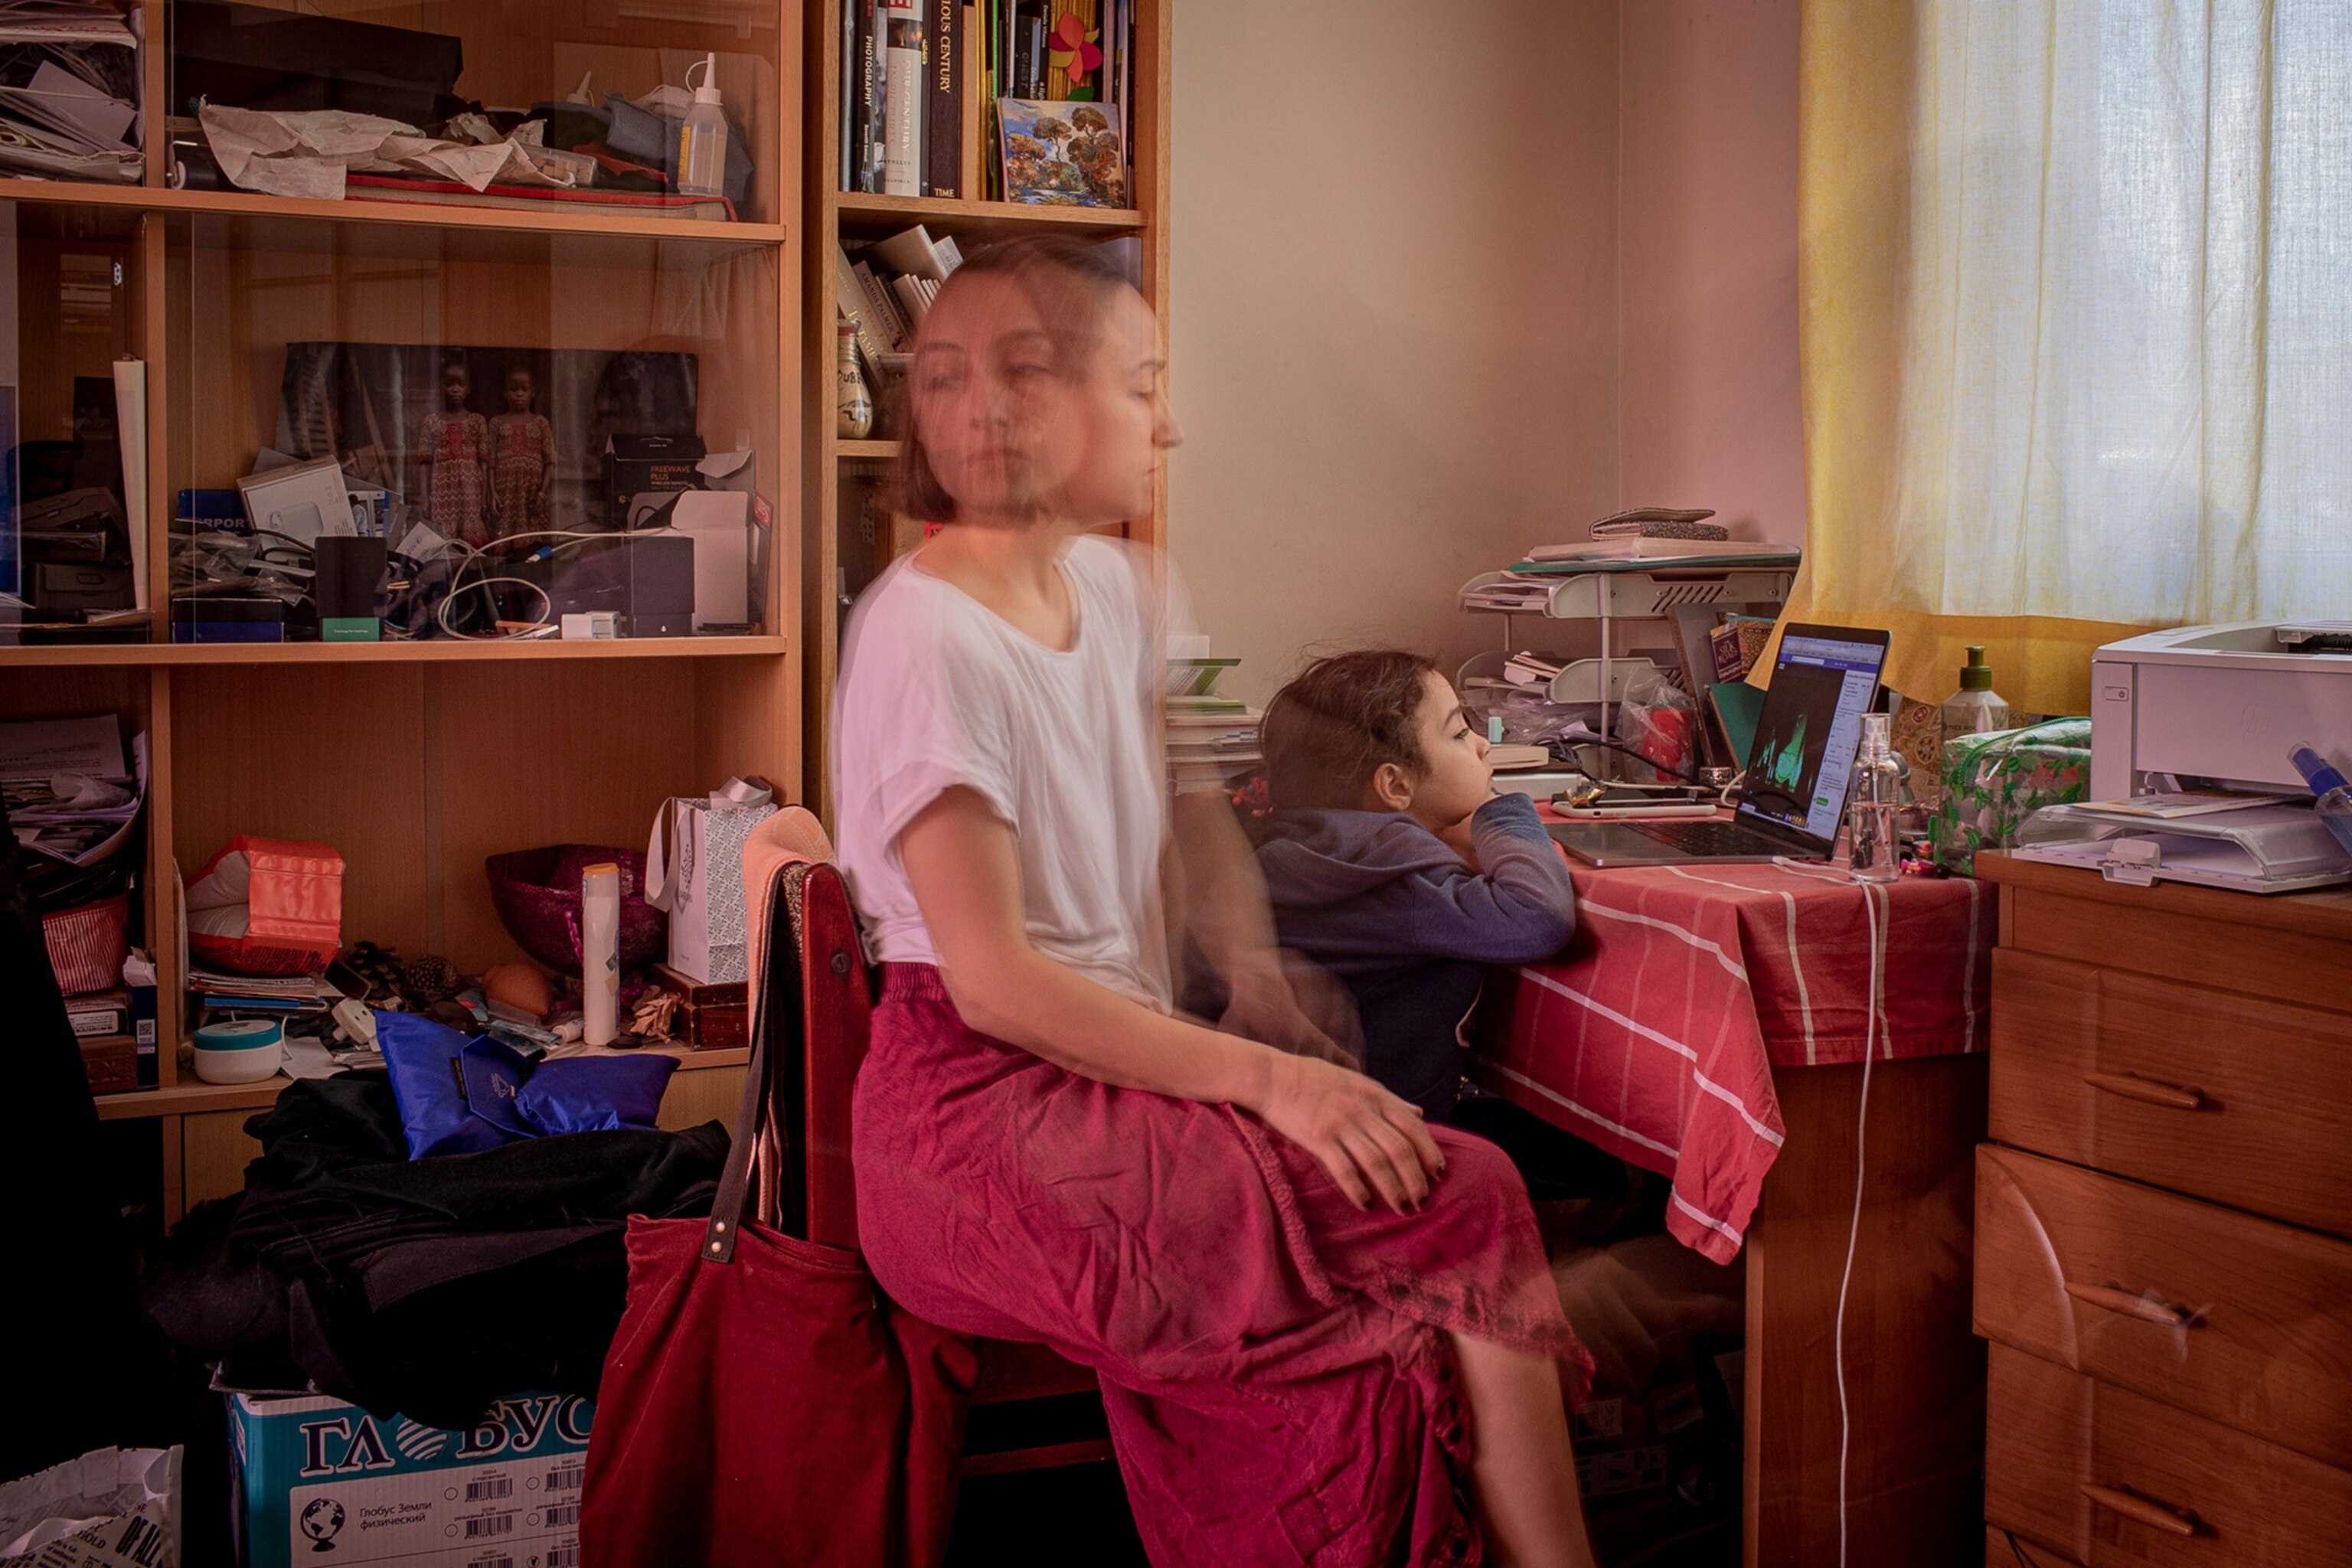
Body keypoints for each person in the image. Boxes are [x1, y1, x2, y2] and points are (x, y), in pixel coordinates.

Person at [832, 235, 1596, 1567]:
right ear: (1034, 398)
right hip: (973, 1112)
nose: (1168, 422)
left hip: (1104, 1076)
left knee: (1408, 1230)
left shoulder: (1133, 591)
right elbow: (996, 982)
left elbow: (1194, 815)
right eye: (1143, 384)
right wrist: (1271, 1081)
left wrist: (1248, 968)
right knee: (1452, 1194)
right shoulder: (921, 633)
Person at [1253, 651, 1579, 1123]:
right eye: (1459, 733)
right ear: (1394, 785)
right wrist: (1501, 809)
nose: (1482, 748)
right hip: (1391, 1115)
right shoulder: (1393, 871)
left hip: (1301, 1107)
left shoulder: (1311, 846)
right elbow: (1537, 919)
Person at [418, 358, 489, 546]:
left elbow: (484, 461)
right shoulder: (431, 422)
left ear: (468, 389)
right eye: (449, 384)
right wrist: (424, 497)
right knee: (444, 544)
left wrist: (484, 496)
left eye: (461, 384)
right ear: (440, 387)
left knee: (471, 543)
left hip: (470, 490)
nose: (455, 389)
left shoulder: (477, 421)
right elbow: (425, 462)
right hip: (442, 490)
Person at [487, 364, 556, 535]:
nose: (519, 394)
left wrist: (542, 493)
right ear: (505, 393)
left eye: (524, 389)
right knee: (505, 539)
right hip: (505, 493)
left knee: (534, 540)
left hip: (531, 493)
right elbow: (490, 461)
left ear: (533, 392)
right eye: (514, 389)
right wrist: (492, 492)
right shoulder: (497, 423)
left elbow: (550, 461)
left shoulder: (541, 423)